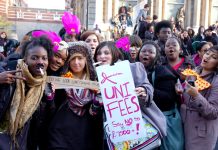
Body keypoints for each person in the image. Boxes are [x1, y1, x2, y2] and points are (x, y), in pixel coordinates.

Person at [94, 41, 154, 149]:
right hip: (110, 131)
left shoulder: (132, 68)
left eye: (106, 53)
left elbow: (147, 86)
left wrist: (143, 90)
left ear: (114, 54)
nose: (102, 56)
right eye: (99, 53)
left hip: (134, 126)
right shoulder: (95, 75)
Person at [0, 36, 53, 150]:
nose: (40, 62)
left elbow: (44, 120)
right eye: (34, 58)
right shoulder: (7, 70)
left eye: (44, 58)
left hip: (24, 142)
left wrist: (49, 98)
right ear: (25, 58)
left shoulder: (45, 83)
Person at [47, 41, 103, 150]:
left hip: (85, 134)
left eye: (80, 58)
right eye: (72, 58)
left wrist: (98, 99)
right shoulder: (59, 79)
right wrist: (50, 96)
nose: (76, 62)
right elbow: (51, 107)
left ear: (86, 60)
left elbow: (95, 114)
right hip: (60, 133)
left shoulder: (96, 81)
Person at [137, 41, 184, 150]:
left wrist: (148, 91)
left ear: (157, 56)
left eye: (151, 52)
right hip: (143, 122)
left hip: (162, 121)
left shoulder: (162, 71)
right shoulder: (135, 70)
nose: (146, 54)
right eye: (143, 51)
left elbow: (169, 97)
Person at [178, 45, 218, 150]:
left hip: (201, 134)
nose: (208, 57)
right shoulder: (194, 72)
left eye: (214, 57)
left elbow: (213, 112)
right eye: (208, 53)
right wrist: (180, 92)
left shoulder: (216, 81)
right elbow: (187, 99)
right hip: (185, 126)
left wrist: (196, 95)